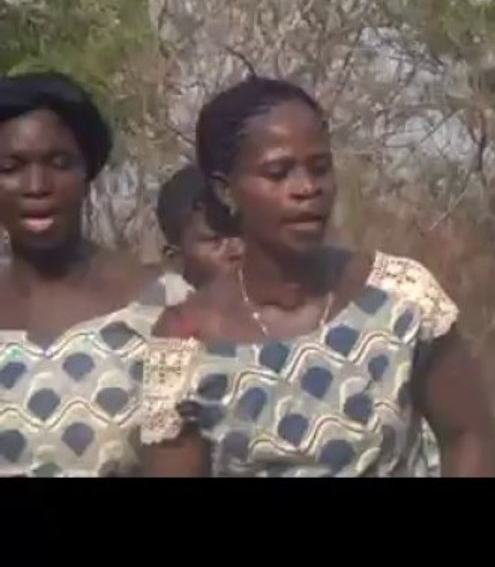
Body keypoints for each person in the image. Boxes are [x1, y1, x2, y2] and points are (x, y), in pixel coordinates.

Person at [141, 77, 495, 476]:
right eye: (278, 173)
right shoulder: (185, 339)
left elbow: (469, 437)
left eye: (320, 168)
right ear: (227, 191)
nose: (307, 188)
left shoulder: (402, 297)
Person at [153, 162, 444, 476]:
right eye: (215, 240)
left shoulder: (375, 317)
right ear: (175, 257)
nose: (235, 249)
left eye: (239, 234)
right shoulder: (169, 345)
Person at [0, 72, 189, 477]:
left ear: (88, 172)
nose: (37, 186)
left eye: (59, 163)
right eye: (11, 167)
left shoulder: (166, 309)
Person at [156, 164, 243, 288]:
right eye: (216, 240)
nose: (240, 250)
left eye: (245, 235)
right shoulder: (153, 306)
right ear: (176, 260)